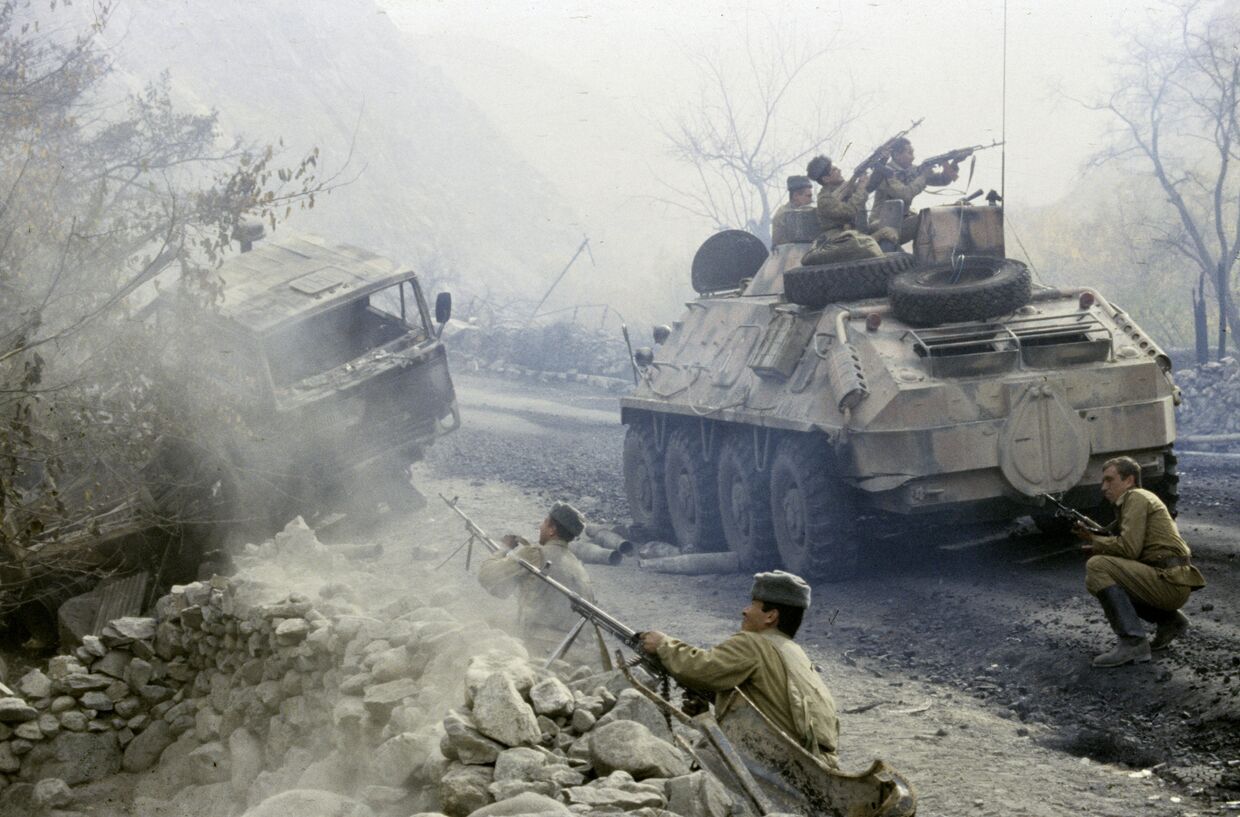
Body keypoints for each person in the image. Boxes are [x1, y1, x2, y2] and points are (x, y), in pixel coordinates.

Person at [640, 570, 839, 764]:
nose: (745, 611)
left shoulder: (753, 643)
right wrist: (709, 708)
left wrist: (663, 645)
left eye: (753, 605)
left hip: (783, 761)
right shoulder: (794, 651)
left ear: (770, 616)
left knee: (704, 757)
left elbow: (700, 668)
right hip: (814, 761)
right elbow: (772, 704)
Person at [1074, 456, 1206, 668]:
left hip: (1169, 582)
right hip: (1171, 579)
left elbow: (1129, 548)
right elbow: (1128, 547)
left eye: (1109, 480)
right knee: (1100, 575)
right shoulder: (1137, 499)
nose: (1104, 487)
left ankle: (1133, 643)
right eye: (1103, 481)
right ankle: (1169, 621)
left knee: (1098, 566)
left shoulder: (1135, 497)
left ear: (1129, 480)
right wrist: (1096, 540)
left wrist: (1095, 540)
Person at [478, 501, 595, 660]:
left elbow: (486, 575)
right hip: (574, 648)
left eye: (544, 522)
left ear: (552, 529)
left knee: (481, 635)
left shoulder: (535, 553)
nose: (540, 527)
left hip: (539, 645)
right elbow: (506, 591)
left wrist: (504, 549)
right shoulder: (578, 566)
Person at [867, 137, 959, 247]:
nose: (913, 157)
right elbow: (905, 195)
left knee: (930, 217)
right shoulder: (885, 173)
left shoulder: (912, 170)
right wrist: (923, 176)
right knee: (925, 219)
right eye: (909, 153)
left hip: (899, 221)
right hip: (881, 224)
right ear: (896, 155)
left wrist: (955, 162)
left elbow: (942, 180)